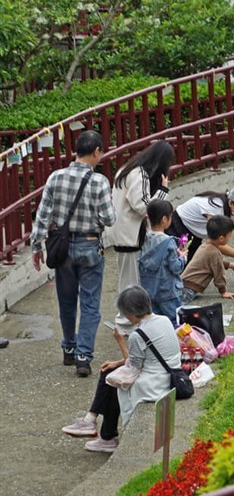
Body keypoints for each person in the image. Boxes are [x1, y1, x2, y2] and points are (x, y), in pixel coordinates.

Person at [30, 130, 116, 377]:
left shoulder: (55, 177)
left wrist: (37, 247)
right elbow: (109, 219)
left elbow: (43, 216)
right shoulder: (99, 181)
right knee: (90, 304)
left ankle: (69, 347)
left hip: (62, 249)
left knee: (66, 302)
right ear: (97, 151)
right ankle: (83, 356)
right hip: (90, 247)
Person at [61, 286, 181, 453]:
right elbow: (143, 357)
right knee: (109, 373)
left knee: (111, 380)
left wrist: (120, 341)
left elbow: (132, 366)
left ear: (131, 313)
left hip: (154, 383)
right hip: (169, 373)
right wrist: (116, 363)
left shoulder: (137, 335)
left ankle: (101, 430)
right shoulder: (164, 320)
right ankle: (99, 429)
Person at [104, 140, 174, 328]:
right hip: (130, 236)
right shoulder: (139, 173)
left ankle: (126, 319)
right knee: (131, 282)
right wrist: (162, 191)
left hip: (123, 233)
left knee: (128, 279)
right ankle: (126, 321)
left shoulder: (127, 169)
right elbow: (143, 206)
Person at [139, 200, 186, 325]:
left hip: (150, 291)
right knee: (175, 323)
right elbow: (176, 268)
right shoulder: (168, 242)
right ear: (165, 219)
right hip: (168, 292)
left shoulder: (144, 237)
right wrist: (182, 258)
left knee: (155, 323)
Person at [180, 215, 234, 302]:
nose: (230, 238)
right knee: (178, 308)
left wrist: (231, 265)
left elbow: (214, 262)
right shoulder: (215, 252)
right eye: (229, 236)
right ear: (221, 238)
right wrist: (223, 291)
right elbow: (219, 273)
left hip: (183, 284)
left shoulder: (205, 246)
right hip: (189, 289)